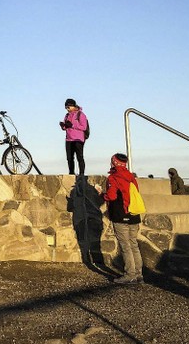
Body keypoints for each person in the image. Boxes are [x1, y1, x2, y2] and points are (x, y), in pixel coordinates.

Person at [99, 153, 143, 285]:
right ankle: (139, 273)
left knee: (125, 246)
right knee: (133, 243)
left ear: (114, 163)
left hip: (120, 215)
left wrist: (102, 194)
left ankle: (130, 274)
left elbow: (111, 197)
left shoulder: (113, 178)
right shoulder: (131, 177)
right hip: (133, 214)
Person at [60, 98, 89, 176]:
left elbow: (84, 127)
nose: (67, 109)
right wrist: (64, 126)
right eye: (66, 108)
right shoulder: (67, 116)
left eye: (68, 107)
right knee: (69, 158)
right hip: (69, 139)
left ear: (73, 106)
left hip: (78, 139)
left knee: (79, 156)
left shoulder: (81, 114)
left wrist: (72, 125)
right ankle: (71, 173)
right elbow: (66, 127)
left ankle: (82, 173)